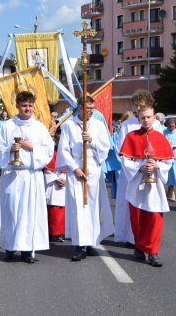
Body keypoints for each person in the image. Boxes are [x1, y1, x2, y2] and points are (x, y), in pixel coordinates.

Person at [0, 91, 54, 263]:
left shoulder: (39, 128)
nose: (28, 108)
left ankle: (27, 250)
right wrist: (9, 150)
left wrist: (32, 147)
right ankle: (9, 248)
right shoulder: (7, 126)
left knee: (29, 214)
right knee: (10, 212)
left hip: (31, 175)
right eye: (24, 105)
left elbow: (49, 152)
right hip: (12, 175)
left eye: (30, 105)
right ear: (17, 106)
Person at [56, 96, 114, 261]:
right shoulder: (69, 125)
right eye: (87, 108)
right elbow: (64, 150)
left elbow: (105, 148)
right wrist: (75, 168)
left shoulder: (98, 125)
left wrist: (92, 141)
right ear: (79, 108)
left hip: (93, 171)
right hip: (76, 171)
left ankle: (91, 242)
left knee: (92, 207)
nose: (90, 111)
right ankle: (80, 245)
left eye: (92, 108)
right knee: (78, 208)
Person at [120, 106, 174, 267]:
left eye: (149, 117)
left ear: (154, 118)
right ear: (138, 118)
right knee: (137, 218)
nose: (146, 120)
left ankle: (153, 252)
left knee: (155, 218)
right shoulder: (131, 136)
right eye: (143, 118)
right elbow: (125, 160)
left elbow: (168, 160)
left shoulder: (160, 137)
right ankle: (139, 245)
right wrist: (140, 167)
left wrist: (156, 166)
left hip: (155, 184)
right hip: (137, 183)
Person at [114, 90, 163, 245]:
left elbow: (161, 147)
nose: (138, 109)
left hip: (150, 171)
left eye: (141, 105)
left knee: (148, 207)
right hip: (132, 172)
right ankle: (130, 237)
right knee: (131, 206)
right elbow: (119, 149)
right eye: (136, 106)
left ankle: (147, 239)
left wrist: (153, 164)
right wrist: (136, 166)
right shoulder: (128, 125)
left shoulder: (155, 124)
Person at [44, 129, 66, 242]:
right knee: (53, 210)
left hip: (65, 185)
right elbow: (47, 170)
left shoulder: (69, 153)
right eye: (58, 140)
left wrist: (65, 180)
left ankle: (61, 232)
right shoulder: (51, 153)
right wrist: (56, 179)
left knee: (64, 211)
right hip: (53, 185)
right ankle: (52, 233)